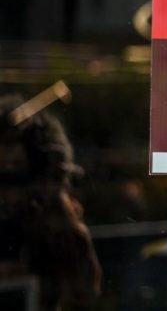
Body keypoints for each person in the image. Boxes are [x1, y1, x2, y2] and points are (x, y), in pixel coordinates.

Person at [0, 94, 101, 310]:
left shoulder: (53, 208)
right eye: (5, 145)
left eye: (16, 145)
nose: (9, 154)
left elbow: (83, 288)